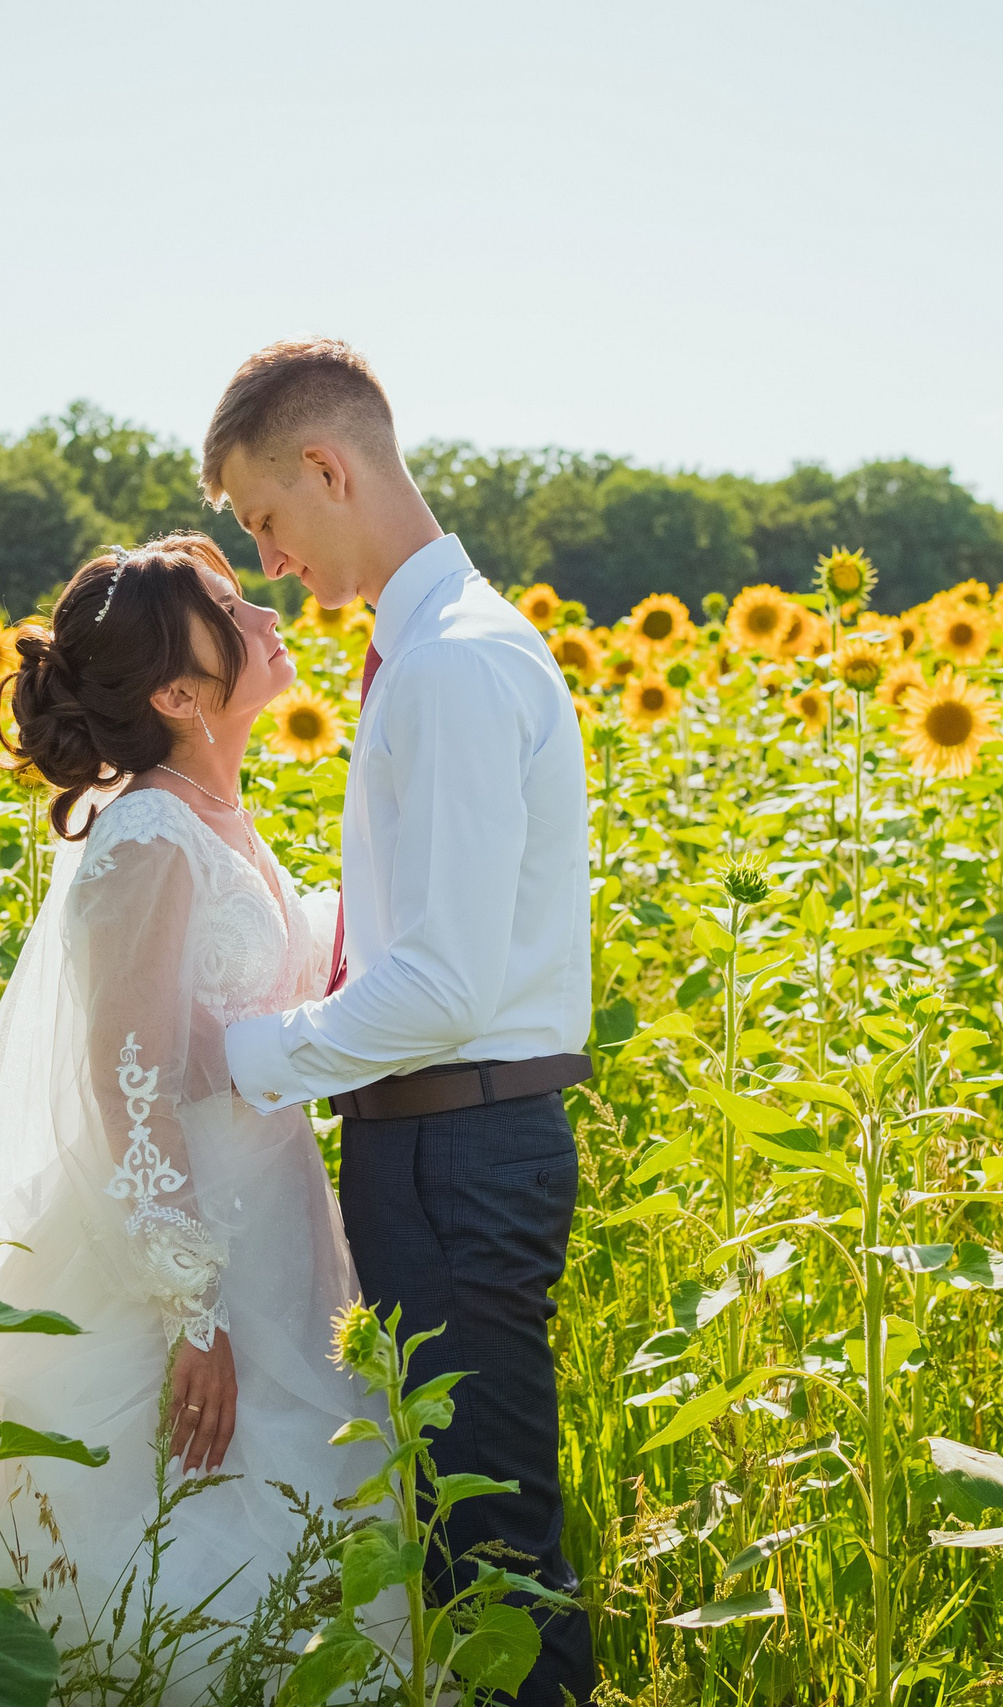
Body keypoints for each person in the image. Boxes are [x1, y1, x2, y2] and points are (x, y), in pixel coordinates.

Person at [0, 533, 380, 1703]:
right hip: (183, 1252)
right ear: (177, 695)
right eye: (230, 610)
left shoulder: (212, 811)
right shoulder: (145, 838)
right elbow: (124, 1088)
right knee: (179, 1533)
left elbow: (236, 1012)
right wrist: (194, 1310)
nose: (264, 615)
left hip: (273, 1220)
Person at [205, 338, 597, 1707]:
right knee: (459, 1533)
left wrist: (243, 1058)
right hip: (444, 1138)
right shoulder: (435, 649)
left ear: (331, 465)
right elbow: (410, 931)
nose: (268, 560)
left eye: (265, 519)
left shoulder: (450, 666)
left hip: (457, 1144)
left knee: (492, 1552)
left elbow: (438, 987)